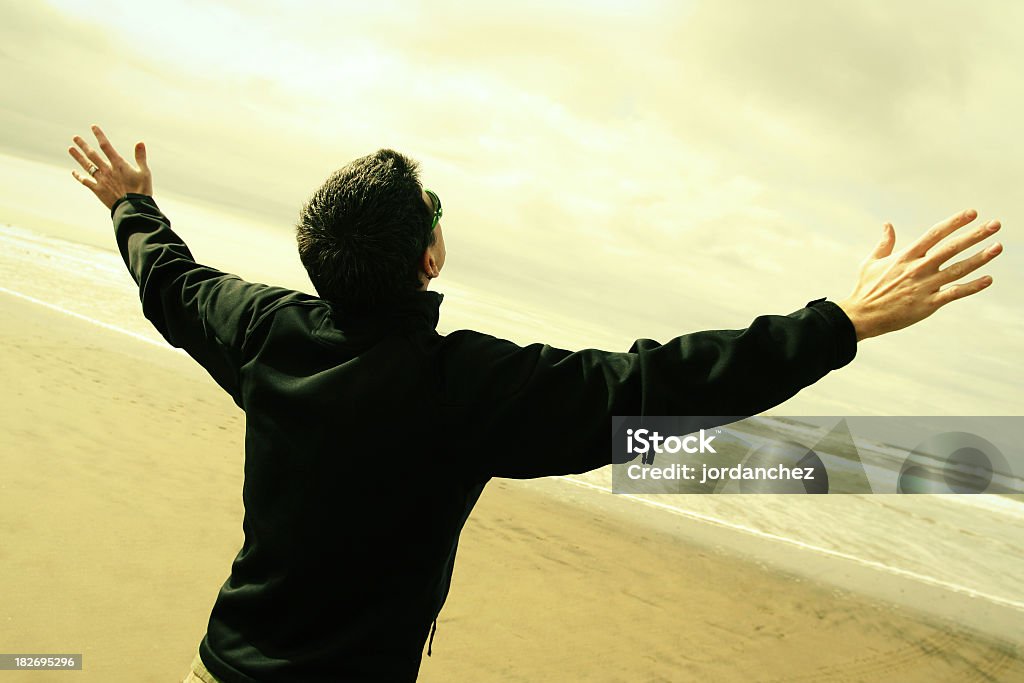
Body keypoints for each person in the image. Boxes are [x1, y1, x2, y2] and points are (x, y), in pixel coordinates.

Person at [68, 125, 1002, 683]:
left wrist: (130, 205)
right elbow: (660, 383)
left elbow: (173, 282)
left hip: (220, 666)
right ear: (429, 256)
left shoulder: (263, 329)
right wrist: (845, 319)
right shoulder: (467, 392)